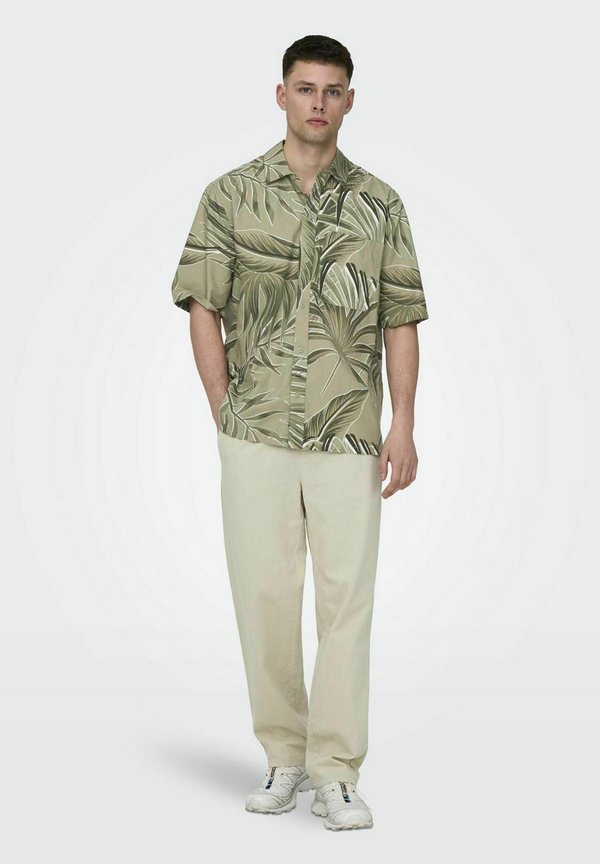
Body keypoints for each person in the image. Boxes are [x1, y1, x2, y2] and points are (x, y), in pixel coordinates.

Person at [170, 34, 429, 831]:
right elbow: (202, 303)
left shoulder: (381, 204)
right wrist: (224, 408)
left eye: (332, 90)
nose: (319, 102)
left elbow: (400, 317)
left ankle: (337, 771)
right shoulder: (231, 195)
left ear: (350, 101)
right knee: (264, 598)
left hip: (350, 433)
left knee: (348, 602)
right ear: (281, 95)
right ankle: (284, 758)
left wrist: (404, 423)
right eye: (306, 88)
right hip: (256, 433)